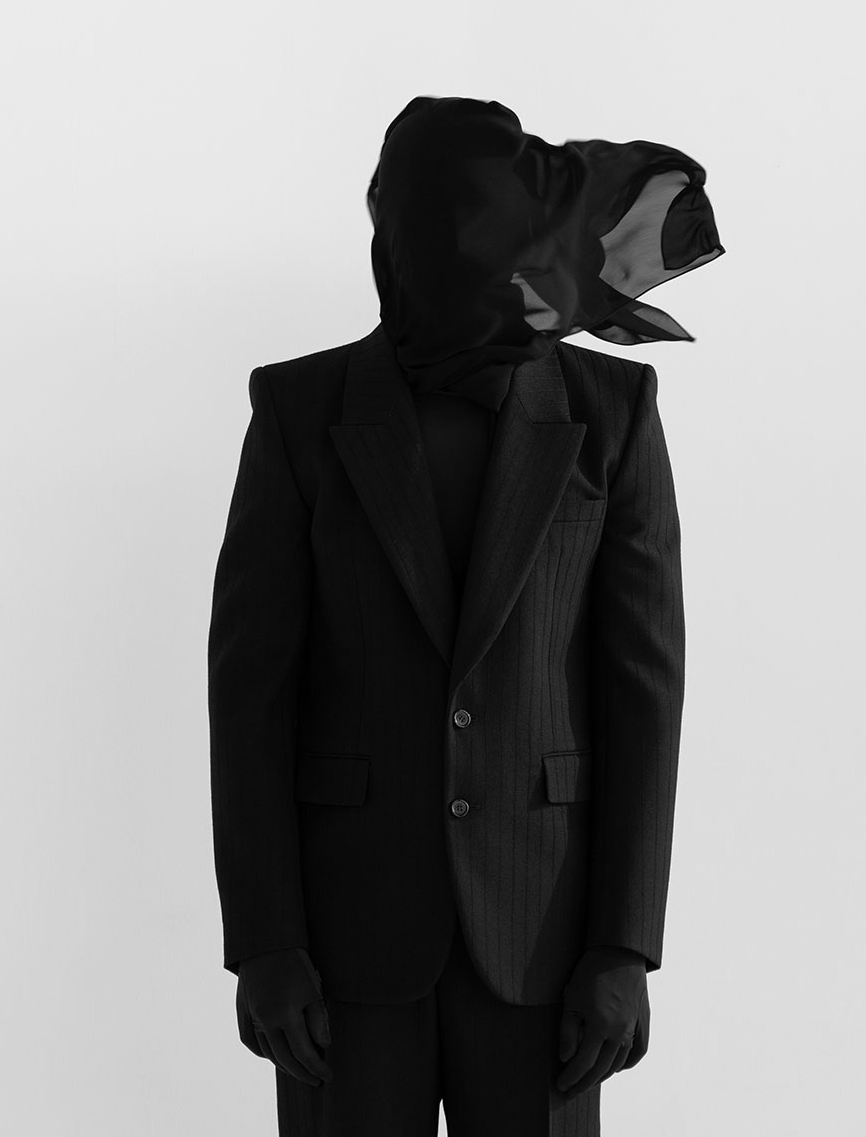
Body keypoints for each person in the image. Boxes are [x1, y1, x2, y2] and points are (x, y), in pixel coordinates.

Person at [207, 96, 723, 1137]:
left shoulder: (611, 415)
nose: (450, 244)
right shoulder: (298, 413)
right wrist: (263, 943)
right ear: (385, 228)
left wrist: (623, 947)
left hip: (546, 944)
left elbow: (643, 693)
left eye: (476, 217)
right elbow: (250, 695)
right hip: (339, 955)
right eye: (423, 217)